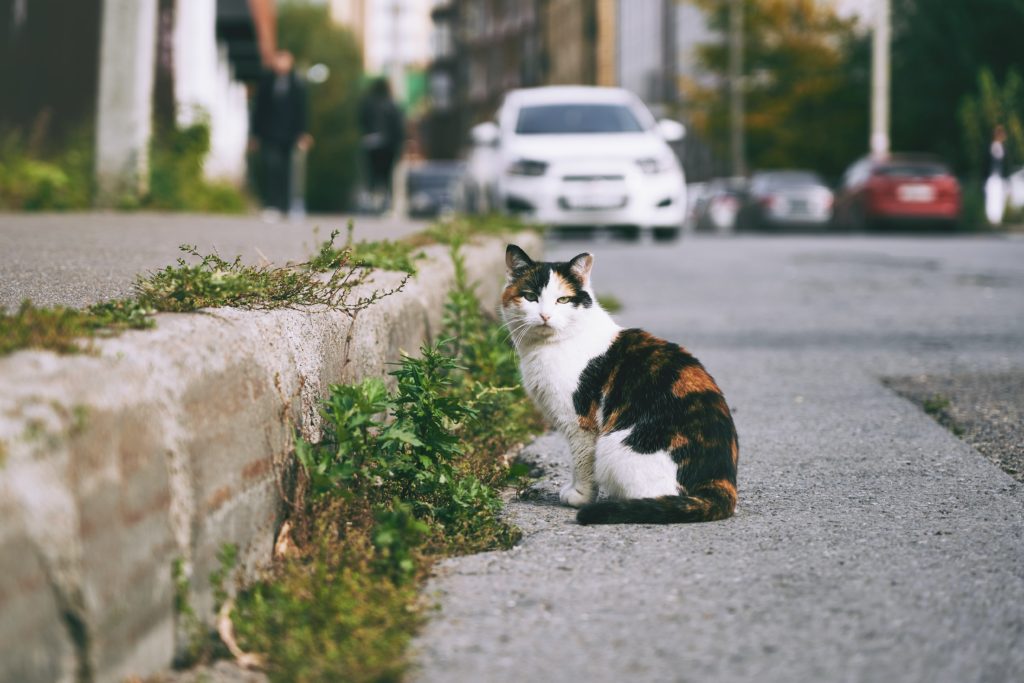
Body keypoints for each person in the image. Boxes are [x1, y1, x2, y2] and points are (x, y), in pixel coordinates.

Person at [250, 50, 313, 220]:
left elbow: (302, 110)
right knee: (271, 167)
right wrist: (255, 134)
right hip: (268, 134)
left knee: (287, 170)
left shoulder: (297, 83)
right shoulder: (266, 82)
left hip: (289, 135)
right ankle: (272, 204)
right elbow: (258, 110)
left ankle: (286, 205)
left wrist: (303, 133)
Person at [358, 77, 404, 213]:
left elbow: (361, 120)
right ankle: (386, 202)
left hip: (370, 142)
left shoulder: (367, 103)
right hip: (389, 145)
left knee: (371, 173)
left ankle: (371, 200)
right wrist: (399, 146)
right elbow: (398, 127)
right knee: (387, 174)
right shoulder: (392, 104)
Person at [985, 125, 1008, 225]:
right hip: (991, 176)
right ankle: (991, 219)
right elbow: (985, 163)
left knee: (999, 198)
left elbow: (1006, 164)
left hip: (1000, 177)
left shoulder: (1004, 149)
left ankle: (997, 220)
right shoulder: (990, 147)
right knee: (991, 197)